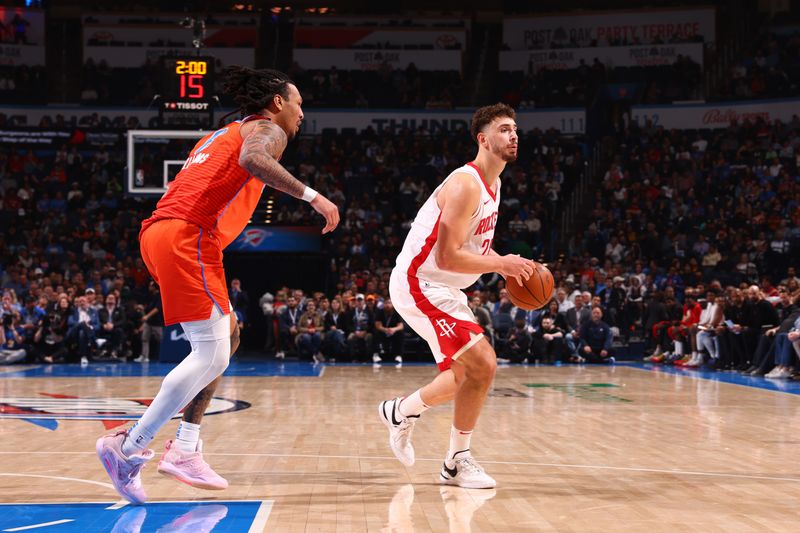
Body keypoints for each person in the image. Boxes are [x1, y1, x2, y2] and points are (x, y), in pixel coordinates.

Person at [96, 66, 340, 505]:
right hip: (189, 235)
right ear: (278, 102)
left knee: (229, 333)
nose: (303, 113)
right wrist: (313, 197)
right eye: (299, 104)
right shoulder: (268, 129)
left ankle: (186, 446)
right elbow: (253, 160)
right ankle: (129, 447)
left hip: (163, 233)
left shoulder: (220, 133)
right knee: (212, 352)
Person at [379, 103, 535, 489]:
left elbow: (467, 254)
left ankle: (400, 411)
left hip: (444, 286)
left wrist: (500, 264)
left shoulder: (494, 184)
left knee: (463, 376)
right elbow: (448, 255)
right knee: (484, 364)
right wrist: (502, 265)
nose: (513, 134)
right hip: (420, 282)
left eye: (515, 129)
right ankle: (456, 462)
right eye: (503, 129)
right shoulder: (466, 183)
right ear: (483, 139)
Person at [373, 298, 404, 365]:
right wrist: (386, 330)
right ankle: (376, 354)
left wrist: (393, 329)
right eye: (386, 303)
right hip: (383, 331)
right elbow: (378, 325)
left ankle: (398, 355)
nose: (387, 305)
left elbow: (401, 326)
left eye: (389, 303)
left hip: (393, 332)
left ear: (392, 304)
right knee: (375, 332)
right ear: (384, 304)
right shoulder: (380, 312)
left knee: (400, 333)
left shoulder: (396, 312)